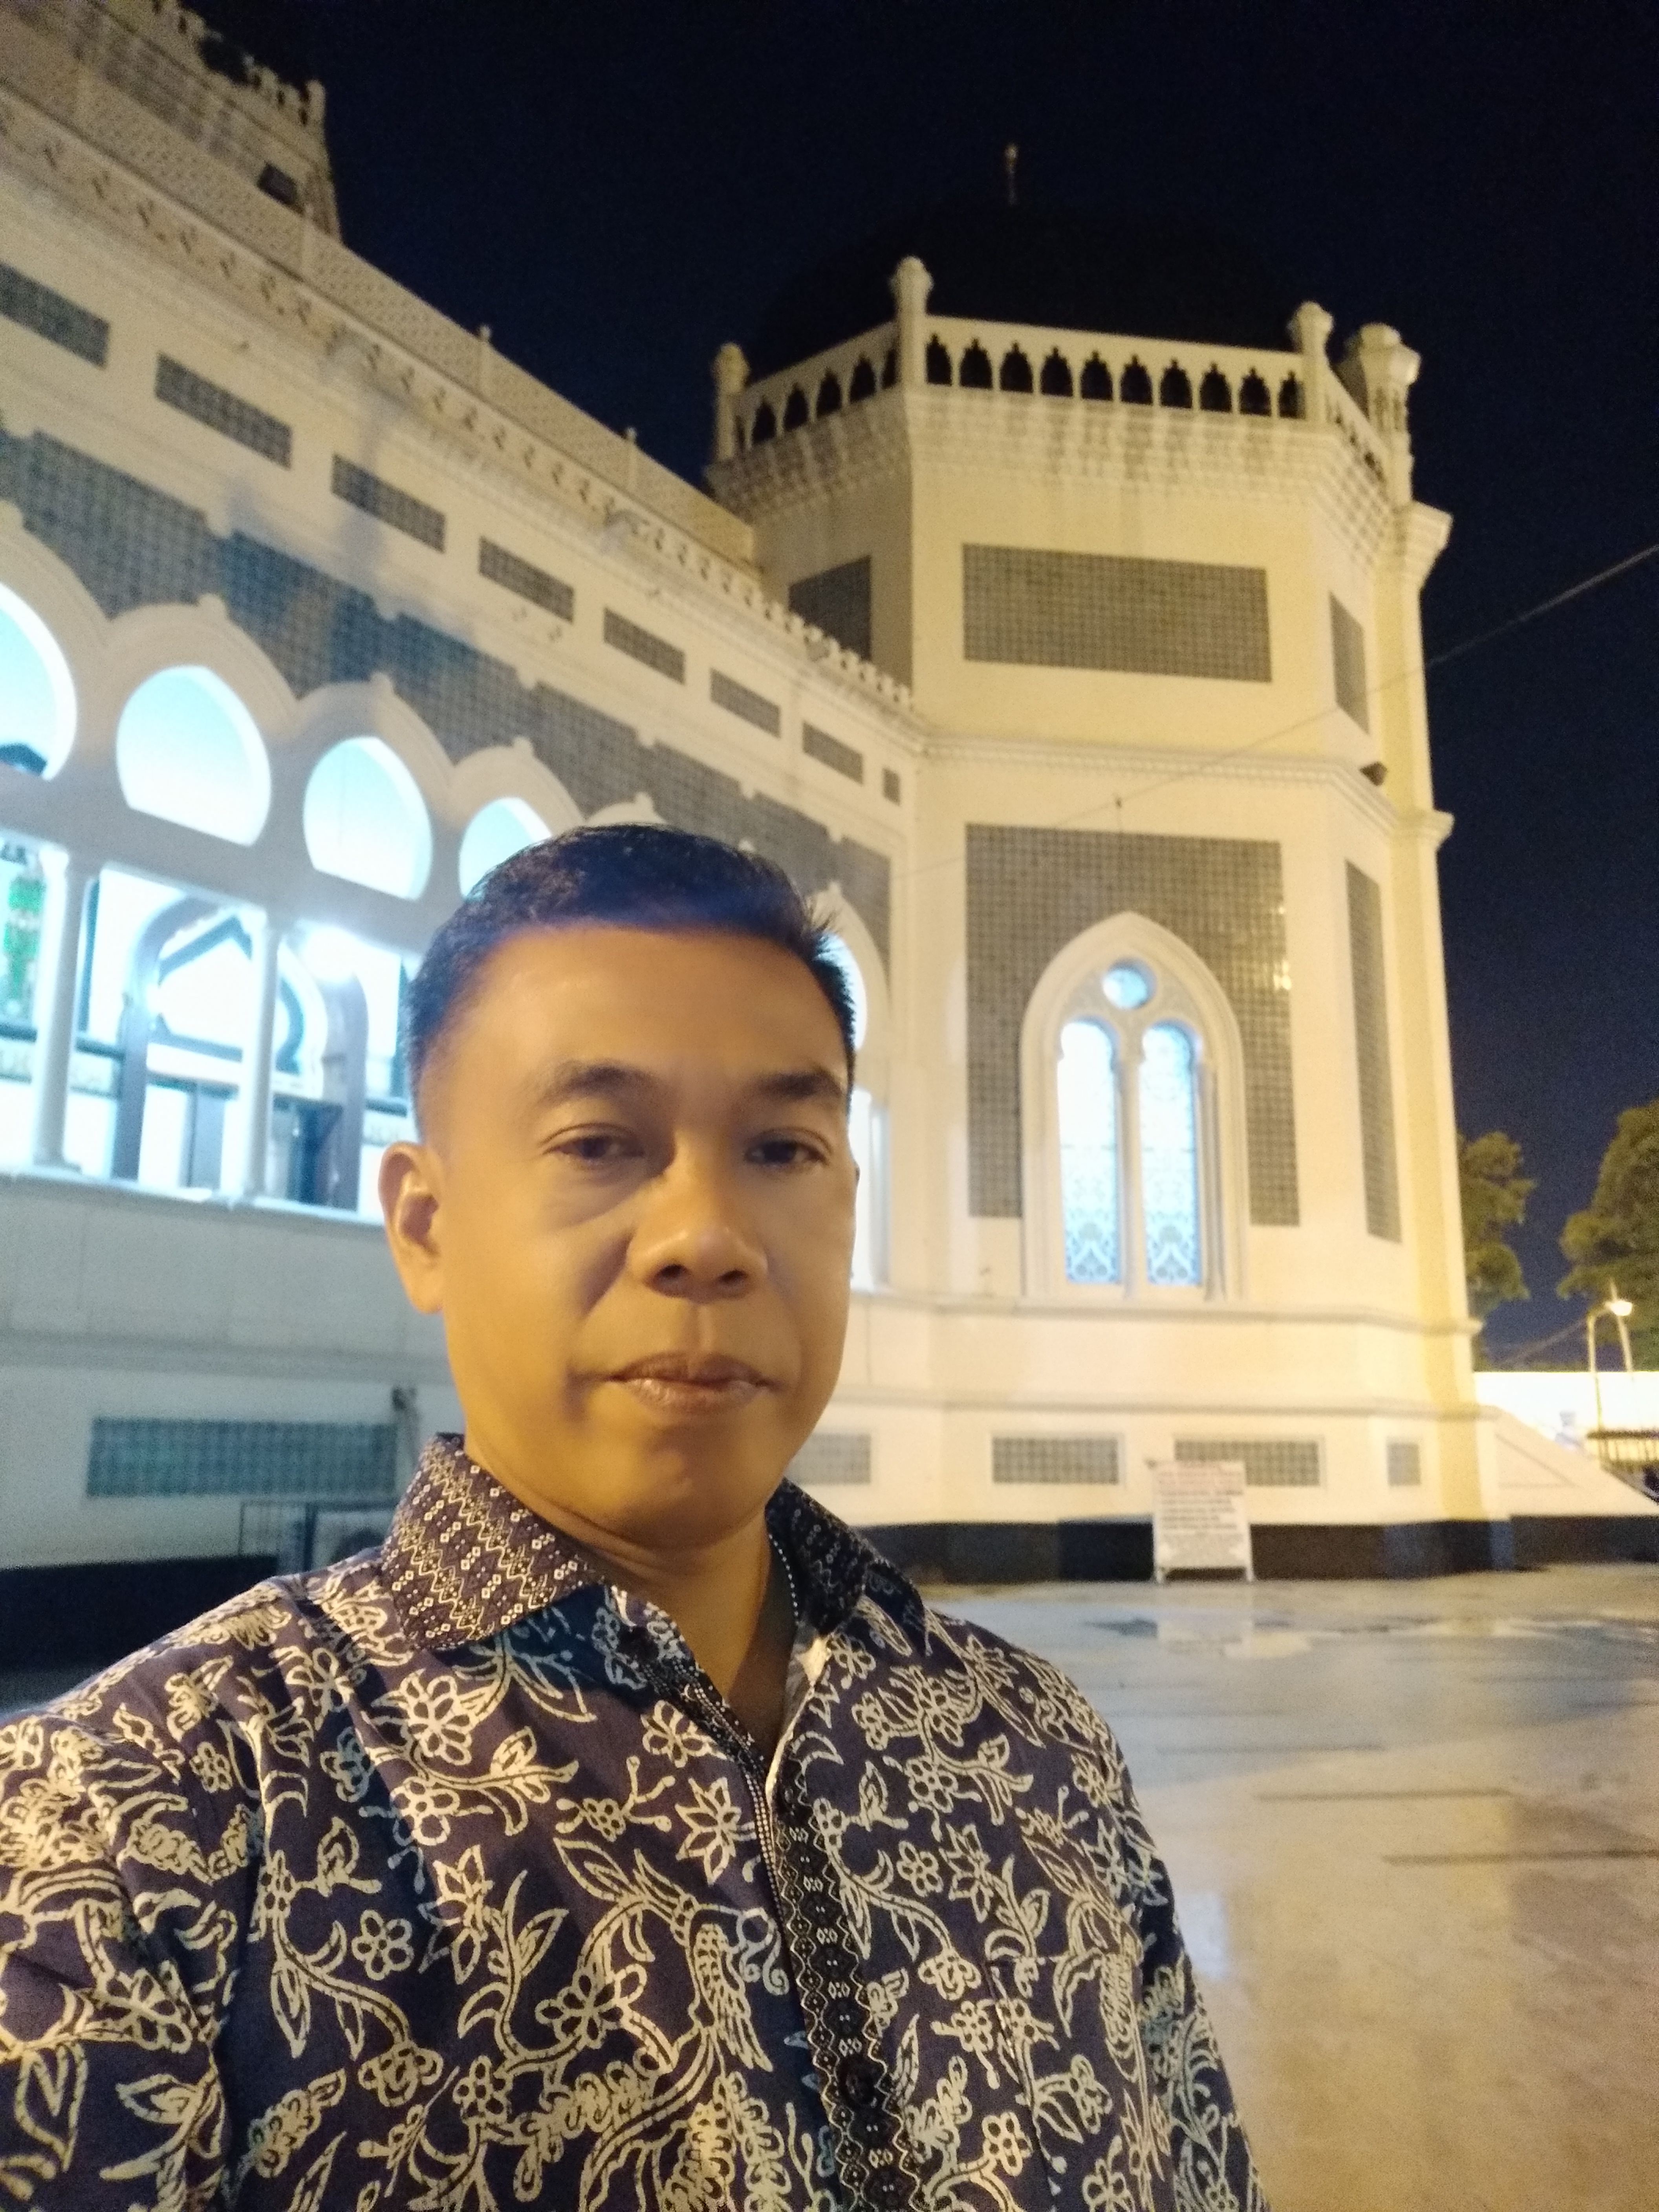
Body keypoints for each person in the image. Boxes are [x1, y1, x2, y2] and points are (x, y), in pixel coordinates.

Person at [0, 826, 1267, 2209]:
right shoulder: (136, 1834)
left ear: (847, 1204)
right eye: (599, 1144)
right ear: (425, 1225)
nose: (706, 1236)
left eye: (782, 1148)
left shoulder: (1036, 1750)